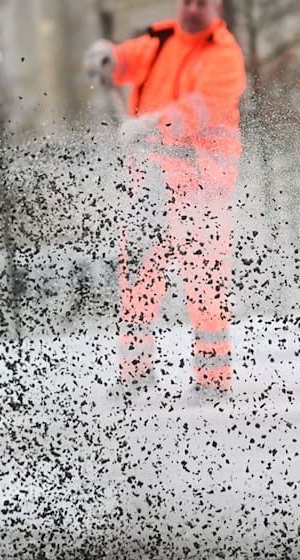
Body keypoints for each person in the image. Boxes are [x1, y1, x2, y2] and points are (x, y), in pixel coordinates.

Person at [84, 0, 245, 392]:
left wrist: (153, 124)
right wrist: (107, 55)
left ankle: (213, 379)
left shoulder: (223, 55)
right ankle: (134, 375)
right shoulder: (161, 42)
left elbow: (200, 109)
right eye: (187, 1)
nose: (192, 8)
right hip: (151, 184)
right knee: (137, 280)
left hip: (202, 190)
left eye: (201, 3)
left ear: (215, 7)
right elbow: (125, 60)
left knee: (205, 283)